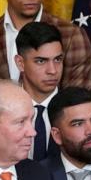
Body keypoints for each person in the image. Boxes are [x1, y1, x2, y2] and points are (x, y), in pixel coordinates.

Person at [14, 21, 64, 160]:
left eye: (58, 60)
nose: (53, 70)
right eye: (41, 61)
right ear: (20, 63)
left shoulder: (75, 110)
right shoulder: (2, 111)